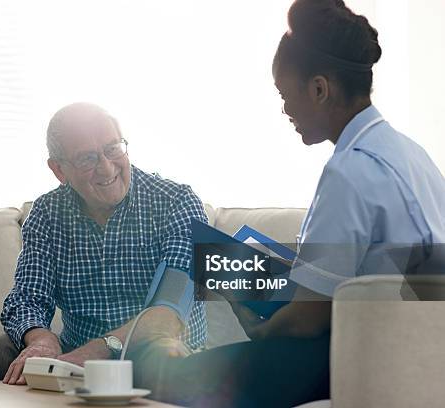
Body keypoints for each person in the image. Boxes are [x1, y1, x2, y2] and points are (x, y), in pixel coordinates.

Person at [150, 1, 445, 406]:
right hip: (420, 347)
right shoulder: (410, 153)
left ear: (320, 89)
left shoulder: (350, 169)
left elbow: (308, 319)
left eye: (285, 95)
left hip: (359, 353)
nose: (286, 110)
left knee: (165, 374)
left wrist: (261, 328)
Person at [0, 102, 208, 385]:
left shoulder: (176, 202)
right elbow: (28, 297)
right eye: (87, 159)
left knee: (161, 354)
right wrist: (43, 341)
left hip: (152, 347)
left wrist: (99, 350)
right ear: (59, 170)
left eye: (113, 149)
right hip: (75, 354)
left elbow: (170, 309)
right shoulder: (46, 214)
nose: (106, 168)